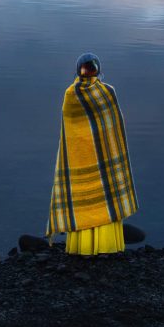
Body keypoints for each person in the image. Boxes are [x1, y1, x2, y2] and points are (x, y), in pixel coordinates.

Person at [47, 53, 138, 254]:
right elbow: (114, 128)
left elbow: (68, 129)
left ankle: (83, 248)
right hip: (105, 161)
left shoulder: (71, 94)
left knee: (82, 198)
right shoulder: (108, 92)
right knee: (105, 198)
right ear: (98, 70)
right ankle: (109, 246)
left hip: (79, 160)